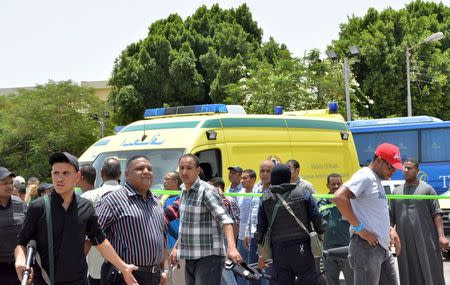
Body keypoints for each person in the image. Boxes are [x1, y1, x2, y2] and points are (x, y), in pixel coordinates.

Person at [15, 152, 138, 285]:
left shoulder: (86, 206)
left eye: (66, 173)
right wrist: (20, 260)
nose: (59, 178)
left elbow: (100, 241)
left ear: (77, 176)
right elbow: (22, 242)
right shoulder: (38, 207)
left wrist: (123, 267)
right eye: (56, 173)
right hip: (45, 281)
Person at [333, 143, 402, 285]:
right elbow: (339, 197)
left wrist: (389, 229)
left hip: (381, 247)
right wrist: (359, 229)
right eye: (391, 167)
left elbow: (373, 211)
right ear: (379, 160)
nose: (394, 171)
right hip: (366, 247)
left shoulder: (376, 179)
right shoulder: (365, 176)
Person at [169, 154, 241, 285]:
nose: (184, 172)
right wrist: (176, 248)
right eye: (181, 168)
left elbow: (226, 221)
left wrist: (232, 247)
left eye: (189, 168)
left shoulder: (207, 191)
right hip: (190, 256)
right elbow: (187, 225)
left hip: (209, 257)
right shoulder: (184, 191)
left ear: (197, 170)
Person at [95, 155, 168, 285]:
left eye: (149, 169)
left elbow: (162, 237)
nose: (146, 171)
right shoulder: (112, 200)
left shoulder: (156, 202)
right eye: (140, 168)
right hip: (122, 276)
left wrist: (165, 269)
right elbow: (94, 235)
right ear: (127, 175)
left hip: (154, 277)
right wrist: (122, 266)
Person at [255, 164, 324, 285]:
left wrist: (261, 251)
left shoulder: (265, 198)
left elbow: (260, 229)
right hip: (302, 247)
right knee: (308, 279)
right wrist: (320, 233)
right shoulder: (303, 193)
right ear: (288, 176)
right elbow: (317, 218)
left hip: (278, 250)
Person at [390, 158, 449, 285]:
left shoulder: (427, 189)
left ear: (417, 170)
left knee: (431, 269)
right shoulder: (396, 192)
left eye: (409, 168)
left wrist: (442, 236)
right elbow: (391, 217)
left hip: (426, 240)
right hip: (404, 242)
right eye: (404, 168)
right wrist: (390, 234)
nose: (405, 170)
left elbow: (436, 214)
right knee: (407, 270)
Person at [81, 157, 122, 285]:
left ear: (101, 174)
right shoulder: (129, 196)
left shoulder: (87, 197)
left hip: (94, 262)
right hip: (122, 262)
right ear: (120, 174)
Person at [317, 173, 353, 285]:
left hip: (347, 249)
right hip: (328, 251)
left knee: (352, 281)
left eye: (339, 184)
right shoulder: (321, 202)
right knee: (331, 282)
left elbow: (358, 222)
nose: (336, 186)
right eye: (333, 184)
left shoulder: (349, 202)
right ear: (327, 185)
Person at [209, 177, 240, 285]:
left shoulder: (228, 201)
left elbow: (235, 224)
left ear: (218, 188)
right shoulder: (215, 201)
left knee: (227, 273)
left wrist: (232, 245)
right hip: (216, 241)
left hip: (225, 241)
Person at [0, 167, 27, 285]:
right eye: (4, 183)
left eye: (11, 182)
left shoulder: (20, 204)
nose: (9, 186)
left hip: (19, 265)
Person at [236, 169, 257, 285]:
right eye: (242, 178)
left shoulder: (257, 193)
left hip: (253, 237)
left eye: (245, 178)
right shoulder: (239, 194)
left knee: (254, 266)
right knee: (241, 266)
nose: (242, 180)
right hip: (241, 237)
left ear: (253, 180)